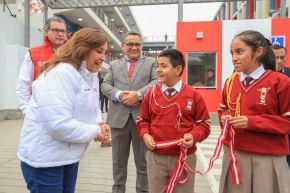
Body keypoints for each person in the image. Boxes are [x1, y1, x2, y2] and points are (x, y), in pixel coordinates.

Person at [17, 28, 110, 193]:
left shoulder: (90, 75)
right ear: (83, 49)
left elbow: (92, 107)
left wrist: (99, 123)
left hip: (68, 155)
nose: (103, 57)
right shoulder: (60, 74)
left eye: (105, 52)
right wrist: (96, 130)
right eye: (99, 51)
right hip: (45, 160)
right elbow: (59, 125)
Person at [218, 30, 290, 193]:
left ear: (258, 52)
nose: (234, 58)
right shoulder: (230, 82)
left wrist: (252, 122)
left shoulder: (281, 82)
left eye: (239, 52)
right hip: (234, 154)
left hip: (267, 158)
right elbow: (222, 109)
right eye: (232, 53)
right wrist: (225, 117)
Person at [136, 49, 210, 193]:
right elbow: (142, 120)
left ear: (178, 69)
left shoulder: (193, 95)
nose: (158, 70)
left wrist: (194, 136)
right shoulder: (151, 94)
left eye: (163, 66)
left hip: (184, 157)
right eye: (157, 65)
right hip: (156, 157)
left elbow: (204, 124)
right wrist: (145, 135)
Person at [101, 31, 157, 193]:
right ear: (122, 46)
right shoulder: (113, 65)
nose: (134, 48)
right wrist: (119, 95)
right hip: (118, 120)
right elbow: (105, 86)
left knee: (143, 164)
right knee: (118, 164)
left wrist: (138, 95)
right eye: (130, 44)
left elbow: (156, 82)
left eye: (137, 44)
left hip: (143, 121)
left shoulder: (151, 63)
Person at [16, 16, 67, 115]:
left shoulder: (74, 55)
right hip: (39, 112)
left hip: (66, 112)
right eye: (56, 30)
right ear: (46, 31)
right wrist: (26, 110)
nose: (60, 34)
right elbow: (24, 84)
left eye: (63, 31)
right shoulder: (32, 54)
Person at [271, 44, 290, 169]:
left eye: (282, 57)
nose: (279, 61)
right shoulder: (262, 76)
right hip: (271, 127)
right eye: (275, 58)